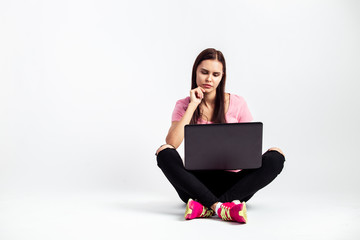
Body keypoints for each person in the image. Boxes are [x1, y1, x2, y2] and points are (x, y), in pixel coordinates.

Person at [155, 48, 285, 224]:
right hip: (195, 184)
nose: (209, 79)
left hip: (234, 184)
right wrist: (193, 105)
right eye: (204, 72)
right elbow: (172, 143)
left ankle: (206, 208)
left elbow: (250, 146)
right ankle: (223, 208)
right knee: (164, 152)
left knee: (276, 156)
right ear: (195, 73)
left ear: (222, 76)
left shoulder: (238, 103)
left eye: (216, 74)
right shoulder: (184, 105)